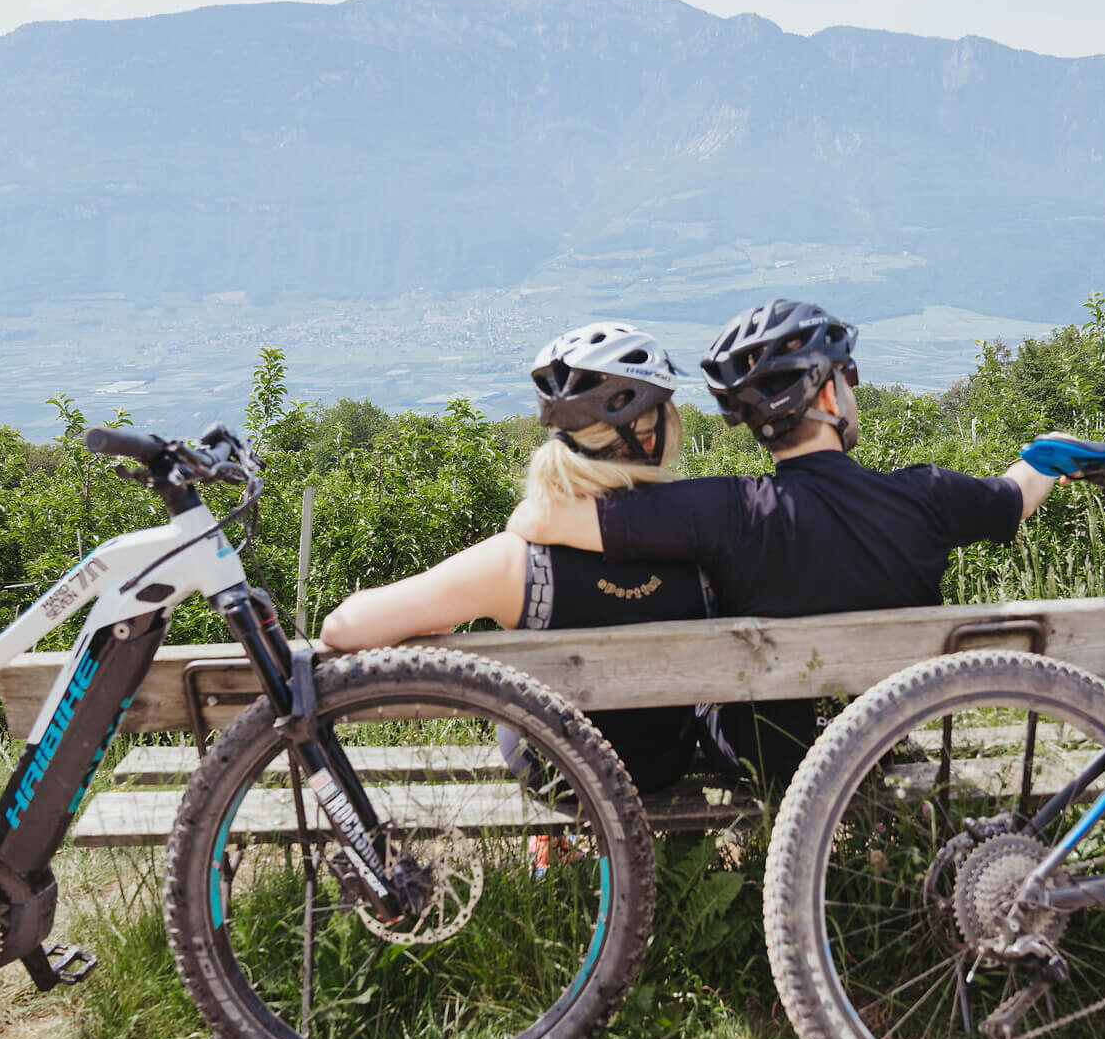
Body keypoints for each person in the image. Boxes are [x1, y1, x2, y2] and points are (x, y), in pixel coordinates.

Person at [507, 299, 1064, 785]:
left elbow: (541, 518)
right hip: (878, 739)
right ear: (827, 393)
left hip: (756, 757)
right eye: (848, 377)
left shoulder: (723, 510)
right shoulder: (931, 496)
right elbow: (1015, 496)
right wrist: (1051, 453)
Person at [320, 323, 717, 793]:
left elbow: (343, 628)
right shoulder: (711, 539)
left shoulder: (517, 561)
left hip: (555, 771)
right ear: (651, 440)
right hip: (663, 761)